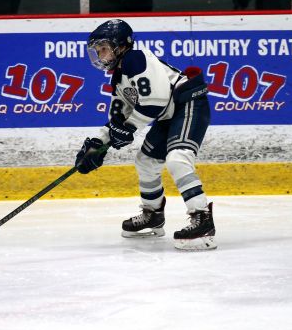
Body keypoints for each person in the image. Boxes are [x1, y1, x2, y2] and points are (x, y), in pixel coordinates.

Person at [74, 19, 216, 251]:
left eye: (103, 48)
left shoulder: (135, 59)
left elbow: (156, 101)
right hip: (168, 114)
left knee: (178, 159)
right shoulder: (119, 77)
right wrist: (98, 144)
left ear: (120, 45)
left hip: (188, 103)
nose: (100, 55)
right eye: (98, 50)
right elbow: (118, 119)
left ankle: (203, 220)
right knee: (146, 162)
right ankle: (153, 215)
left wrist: (128, 128)